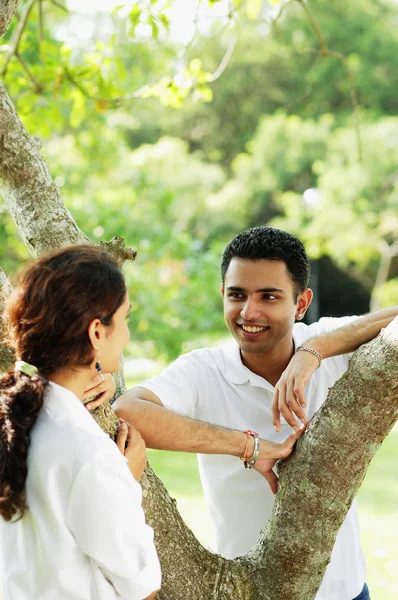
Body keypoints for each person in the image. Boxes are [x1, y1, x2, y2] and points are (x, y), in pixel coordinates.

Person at [114, 226, 397, 600]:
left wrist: (313, 352)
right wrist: (250, 447)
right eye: (237, 295)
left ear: (300, 303)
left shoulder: (330, 340)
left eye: (269, 296)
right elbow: (128, 410)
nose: (250, 312)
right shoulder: (204, 369)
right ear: (223, 296)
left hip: (346, 591)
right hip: (251, 589)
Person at [0, 245, 161, 600]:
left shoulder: (15, 415)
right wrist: (127, 482)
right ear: (97, 333)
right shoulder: (88, 454)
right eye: (126, 319)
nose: (128, 334)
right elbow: (142, 588)